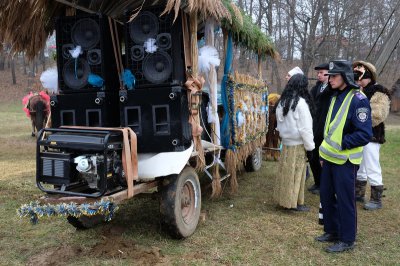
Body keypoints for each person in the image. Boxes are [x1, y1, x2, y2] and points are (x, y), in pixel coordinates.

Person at [316, 60, 372, 253]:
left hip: (346, 161)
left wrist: (342, 143)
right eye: (329, 76)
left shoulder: (358, 100)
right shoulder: (335, 96)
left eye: (334, 76)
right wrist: (325, 154)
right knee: (326, 195)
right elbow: (330, 129)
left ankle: (347, 239)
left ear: (346, 77)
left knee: (345, 199)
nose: (330, 79)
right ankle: (332, 231)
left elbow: (365, 134)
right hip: (330, 158)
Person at [273, 73, 315, 212]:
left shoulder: (282, 102)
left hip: (286, 144)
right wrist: (310, 148)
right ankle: (294, 203)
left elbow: (278, 126)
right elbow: (306, 129)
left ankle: (285, 200)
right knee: (297, 174)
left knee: (286, 173)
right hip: (297, 145)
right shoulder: (301, 104)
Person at [353, 61, 391, 210]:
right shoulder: (356, 90)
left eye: (360, 73)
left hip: (372, 135)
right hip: (358, 134)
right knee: (360, 165)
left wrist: (358, 122)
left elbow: (378, 114)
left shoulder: (378, 91)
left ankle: (376, 199)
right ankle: (358, 193)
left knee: (372, 165)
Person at [308, 63, 332, 194]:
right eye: (318, 73)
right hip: (314, 126)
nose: (319, 75)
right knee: (313, 156)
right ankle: (317, 182)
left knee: (323, 158)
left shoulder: (333, 89)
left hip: (325, 128)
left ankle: (324, 184)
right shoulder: (316, 88)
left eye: (322, 72)